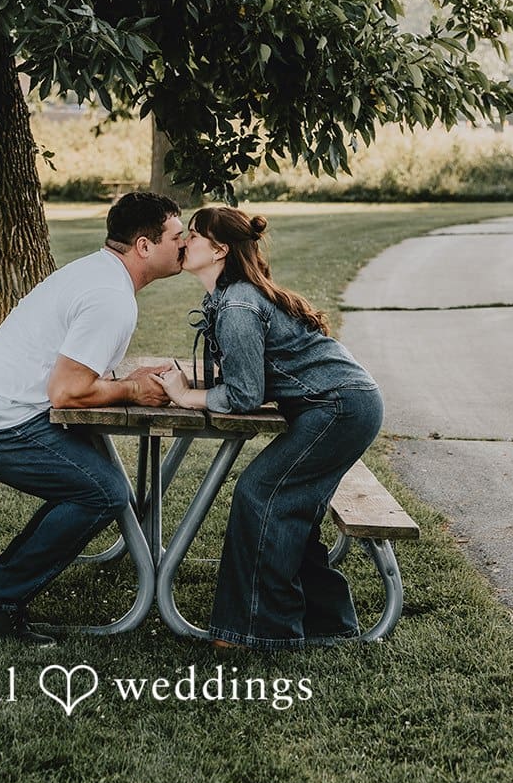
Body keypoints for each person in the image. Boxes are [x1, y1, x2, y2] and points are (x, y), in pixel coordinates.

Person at [0, 190, 184, 644]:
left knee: (98, 483)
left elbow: (76, 370)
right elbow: (67, 391)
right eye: (177, 236)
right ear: (145, 246)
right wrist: (132, 389)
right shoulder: (111, 297)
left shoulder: (98, 272)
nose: (184, 246)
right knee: (104, 492)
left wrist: (125, 380)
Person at [157, 205, 383, 651]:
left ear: (220, 250)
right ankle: (327, 621)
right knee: (287, 507)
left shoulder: (239, 303)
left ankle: (259, 631)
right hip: (341, 405)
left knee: (261, 494)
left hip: (339, 407)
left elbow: (242, 396)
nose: (185, 243)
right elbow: (250, 380)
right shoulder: (229, 297)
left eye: (195, 237)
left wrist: (186, 397)